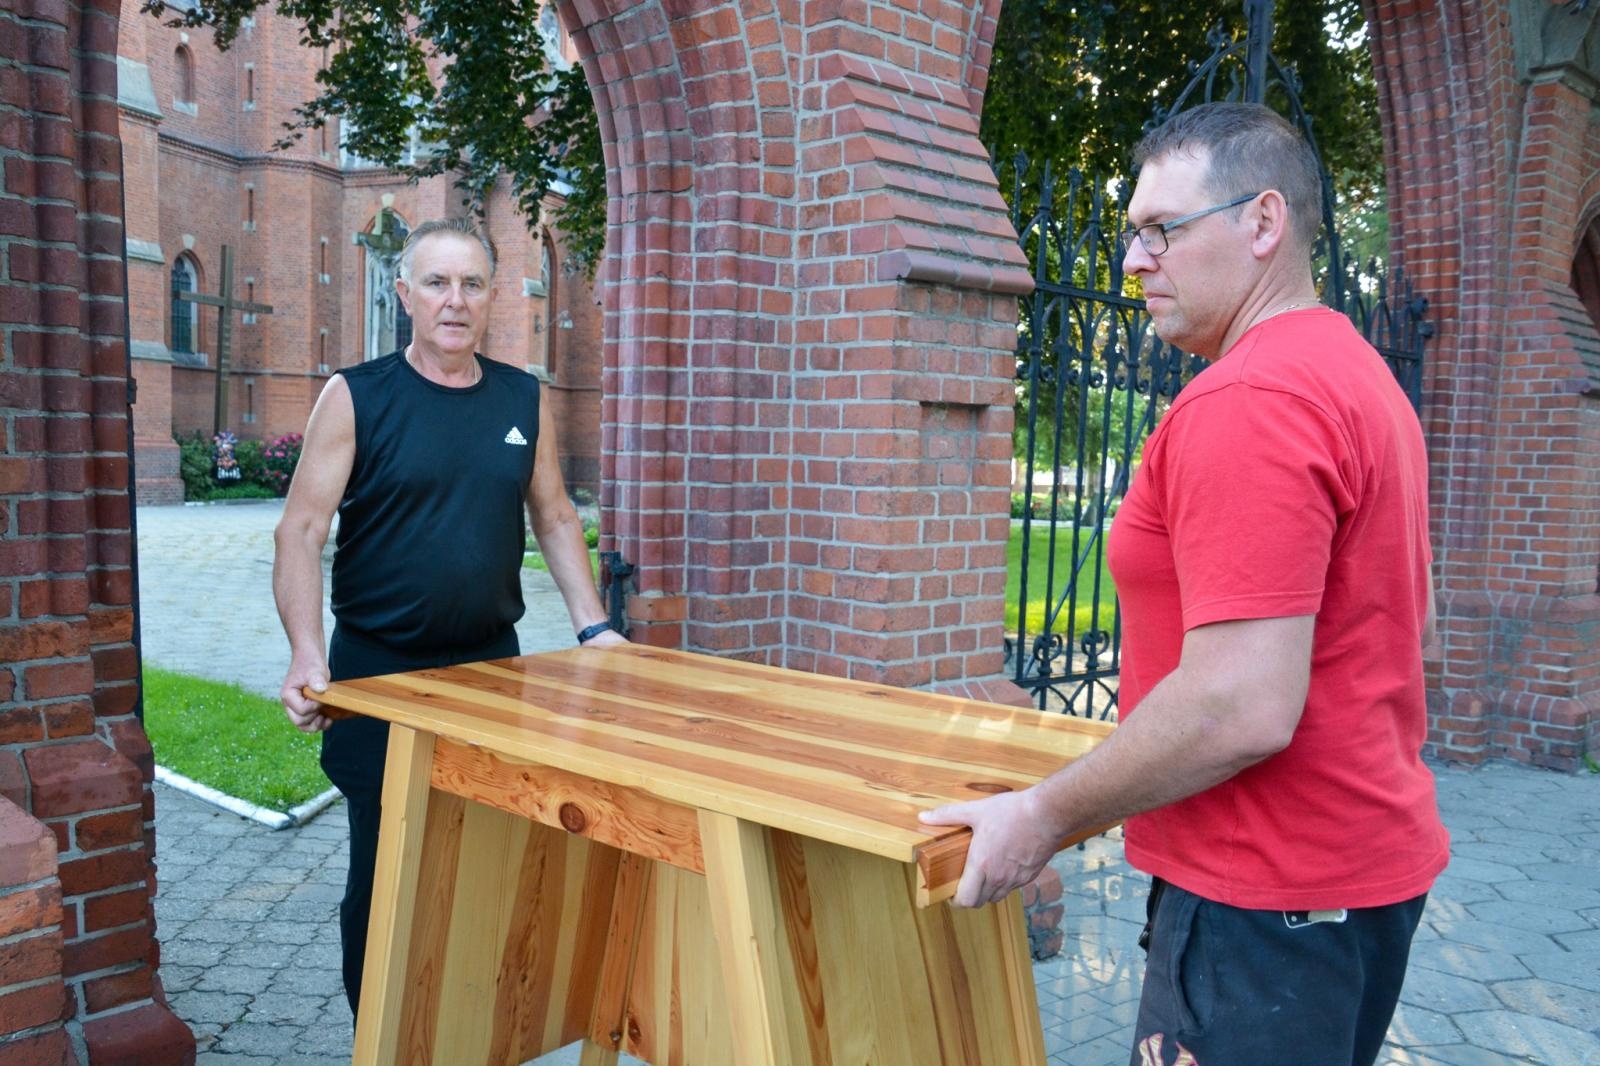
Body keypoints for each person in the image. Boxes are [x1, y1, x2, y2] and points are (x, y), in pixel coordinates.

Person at [921, 102, 1448, 1065]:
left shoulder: (1254, 397)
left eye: (1162, 228)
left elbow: (1238, 705)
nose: (1131, 260)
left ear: (1262, 224)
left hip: (1261, 898)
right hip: (1349, 883)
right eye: (1131, 232)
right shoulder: (1354, 372)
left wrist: (1039, 817)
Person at [272, 217, 626, 1015]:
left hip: (492, 671)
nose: (454, 301)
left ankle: (469, 1030)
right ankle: (382, 1033)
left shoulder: (520, 396)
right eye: (436, 283)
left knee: (491, 866)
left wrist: (594, 626)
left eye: (471, 284)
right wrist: (304, 654)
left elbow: (556, 514)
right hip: (379, 673)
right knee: (388, 876)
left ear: (493, 297)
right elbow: (299, 530)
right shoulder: (357, 396)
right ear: (404, 295)